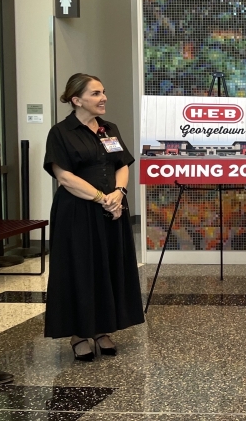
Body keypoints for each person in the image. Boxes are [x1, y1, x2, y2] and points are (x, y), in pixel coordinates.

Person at [43, 73, 143, 360]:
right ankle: (78, 333)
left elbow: (121, 163)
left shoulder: (108, 129)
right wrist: (102, 198)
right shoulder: (61, 132)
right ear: (77, 100)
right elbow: (64, 177)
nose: (104, 98)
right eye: (96, 93)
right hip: (78, 212)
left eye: (103, 92)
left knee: (108, 266)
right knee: (80, 269)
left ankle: (102, 328)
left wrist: (119, 193)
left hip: (112, 210)